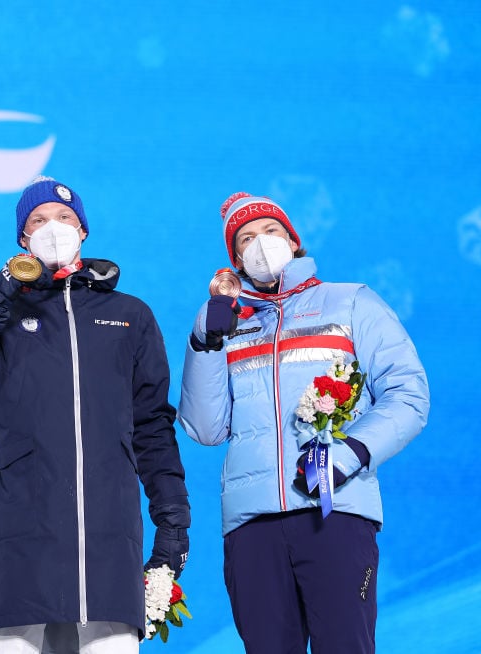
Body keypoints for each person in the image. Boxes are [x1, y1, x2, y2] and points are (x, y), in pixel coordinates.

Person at [0, 176, 190, 654]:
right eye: (39, 221)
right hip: (20, 534)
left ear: (84, 231)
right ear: (21, 239)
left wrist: (172, 516)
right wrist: (1, 292)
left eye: (65, 218)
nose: (54, 227)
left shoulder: (130, 315)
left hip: (108, 541)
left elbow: (153, 425)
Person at [178, 192, 430, 654]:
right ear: (235, 259)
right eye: (246, 239)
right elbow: (205, 428)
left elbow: (408, 396)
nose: (260, 244)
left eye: (270, 232)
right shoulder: (226, 323)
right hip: (252, 525)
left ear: (293, 240)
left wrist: (349, 455)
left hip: (333, 512)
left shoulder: (351, 303)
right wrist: (205, 340)